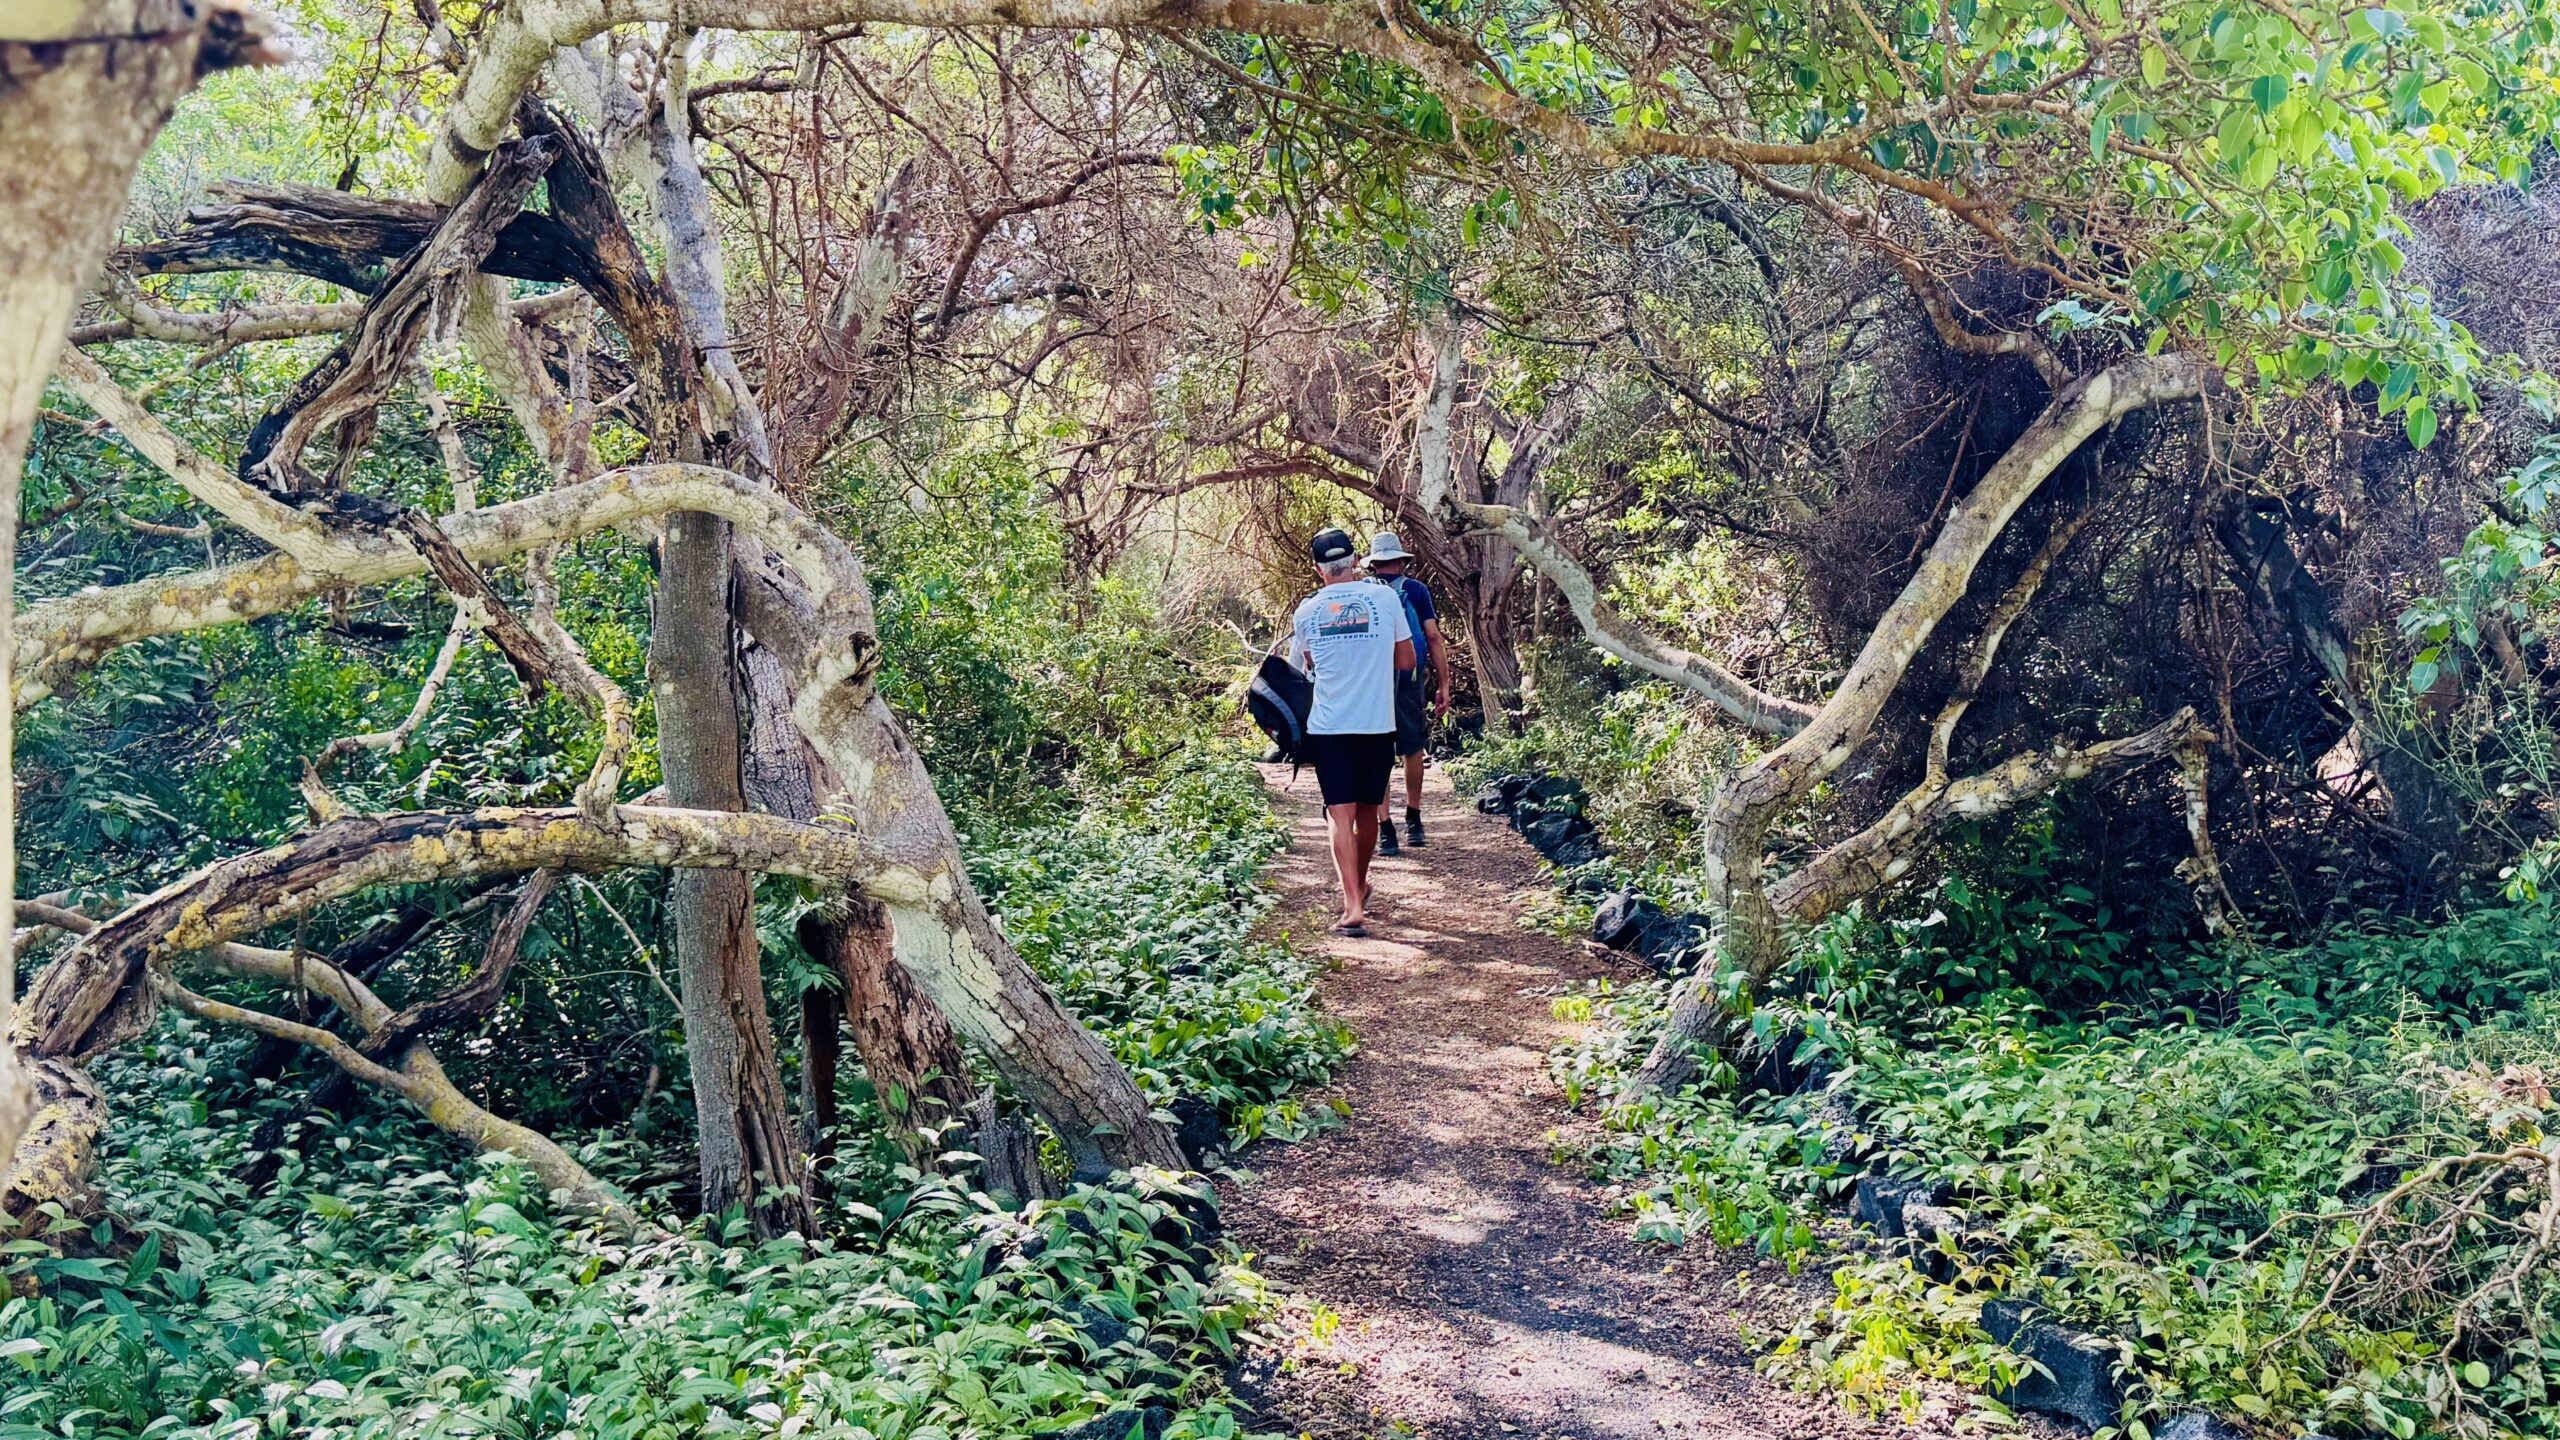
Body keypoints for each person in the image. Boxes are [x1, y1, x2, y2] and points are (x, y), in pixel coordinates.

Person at [1288, 527, 1414, 937]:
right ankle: (1358, 883)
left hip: (1329, 727)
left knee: (1338, 814)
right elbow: (1406, 659)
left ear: (1318, 569)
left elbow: (1303, 668)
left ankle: (1353, 904)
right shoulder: (1385, 598)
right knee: (1367, 813)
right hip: (1377, 723)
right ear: (1356, 560)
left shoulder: (1306, 612)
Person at [1364, 531, 1452, 854]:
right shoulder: (1416, 590)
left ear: (1373, 565)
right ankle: (1413, 819)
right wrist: (1443, 684)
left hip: (1372, 682)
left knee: (1376, 750)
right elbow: (1432, 637)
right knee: (1412, 748)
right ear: (1401, 562)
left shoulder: (1364, 592)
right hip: (1409, 677)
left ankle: (1385, 827)